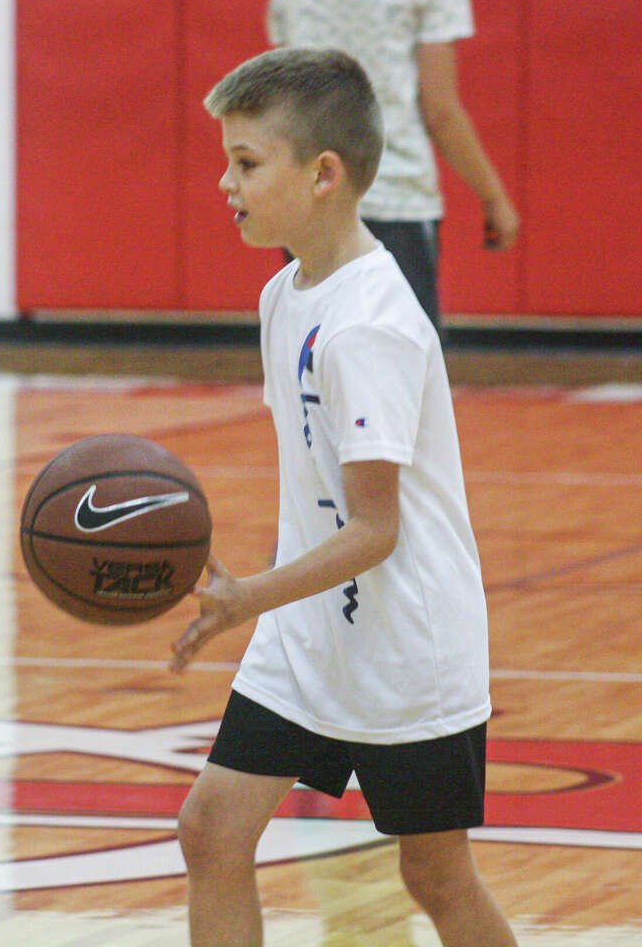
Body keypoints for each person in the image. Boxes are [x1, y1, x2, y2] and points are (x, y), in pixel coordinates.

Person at [169, 49, 517, 947]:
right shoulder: (286, 294)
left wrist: (246, 597)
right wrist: (273, 609)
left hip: (406, 645)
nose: (225, 181)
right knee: (211, 831)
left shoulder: (368, 326)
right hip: (310, 635)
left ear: (323, 174)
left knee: (435, 877)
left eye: (246, 162)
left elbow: (375, 529)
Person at [266, 0, 520, 331]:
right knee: (401, 364)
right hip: (395, 191)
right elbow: (440, 112)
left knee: (315, 362)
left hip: (311, 194)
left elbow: (283, 96)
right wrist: (494, 197)